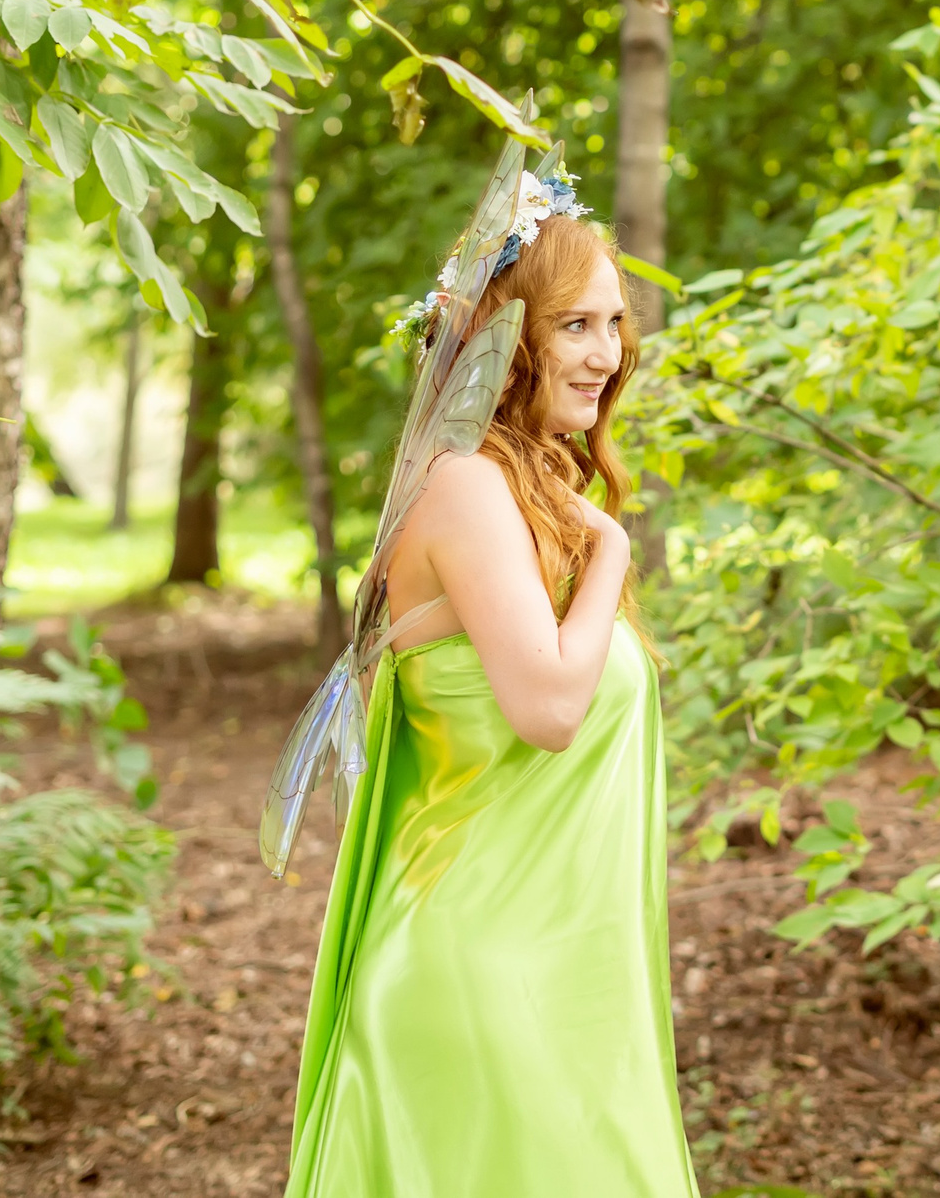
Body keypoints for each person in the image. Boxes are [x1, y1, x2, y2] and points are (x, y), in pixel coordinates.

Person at [284, 179, 700, 1198]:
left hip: (560, 986)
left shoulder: (528, 487)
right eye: (574, 324)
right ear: (506, 338)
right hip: (484, 986)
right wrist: (612, 550)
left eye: (613, 322)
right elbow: (550, 709)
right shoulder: (468, 488)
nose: (606, 353)